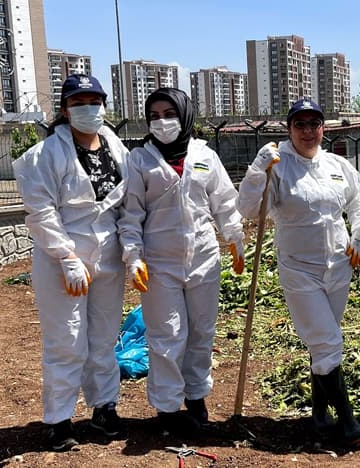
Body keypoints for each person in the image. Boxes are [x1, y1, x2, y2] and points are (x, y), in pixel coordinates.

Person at [236, 98, 360, 446]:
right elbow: (250, 209)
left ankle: (319, 412)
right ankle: (347, 419)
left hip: (338, 266)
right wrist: (257, 172)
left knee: (322, 341)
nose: (308, 131)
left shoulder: (338, 164)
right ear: (289, 129)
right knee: (328, 341)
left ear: (323, 128)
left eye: (315, 124)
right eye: (301, 124)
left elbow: (358, 201)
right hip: (300, 269)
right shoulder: (278, 165)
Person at [117, 87, 245, 436]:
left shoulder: (205, 155)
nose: (162, 122)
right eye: (154, 116)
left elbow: (223, 202)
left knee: (202, 331)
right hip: (159, 264)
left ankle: (196, 395)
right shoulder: (140, 160)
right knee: (167, 335)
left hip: (204, 257)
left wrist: (235, 239)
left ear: (185, 115)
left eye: (169, 114)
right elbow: (130, 216)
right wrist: (134, 258)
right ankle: (168, 407)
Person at [12, 74, 128, 451]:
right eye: (78, 103)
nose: (87, 108)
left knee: (104, 337)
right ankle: (59, 419)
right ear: (64, 109)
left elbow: (126, 201)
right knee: (66, 340)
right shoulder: (45, 154)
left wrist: (130, 248)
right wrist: (66, 255)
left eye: (94, 100)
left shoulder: (115, 145)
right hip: (61, 258)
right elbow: (41, 212)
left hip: (108, 254)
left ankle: (104, 407)